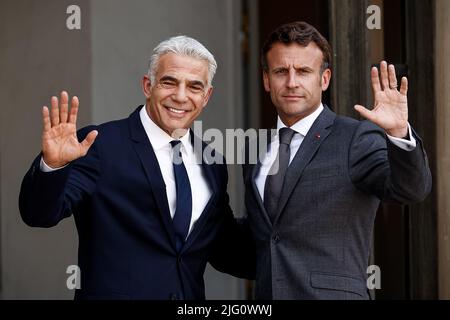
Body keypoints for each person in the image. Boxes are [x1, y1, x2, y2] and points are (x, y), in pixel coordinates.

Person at [19, 36, 254, 300]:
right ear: (147, 85)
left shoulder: (212, 161)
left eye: (194, 86)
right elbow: (39, 214)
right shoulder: (98, 145)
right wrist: (52, 165)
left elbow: (225, 249)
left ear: (206, 96)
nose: (180, 96)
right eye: (169, 82)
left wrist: (295, 238)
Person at [242, 21, 432, 299]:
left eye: (304, 71)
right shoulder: (254, 149)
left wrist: (398, 132)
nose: (292, 82)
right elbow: (264, 240)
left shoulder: (355, 137)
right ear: (266, 80)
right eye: (281, 71)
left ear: (324, 79)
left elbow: (410, 189)